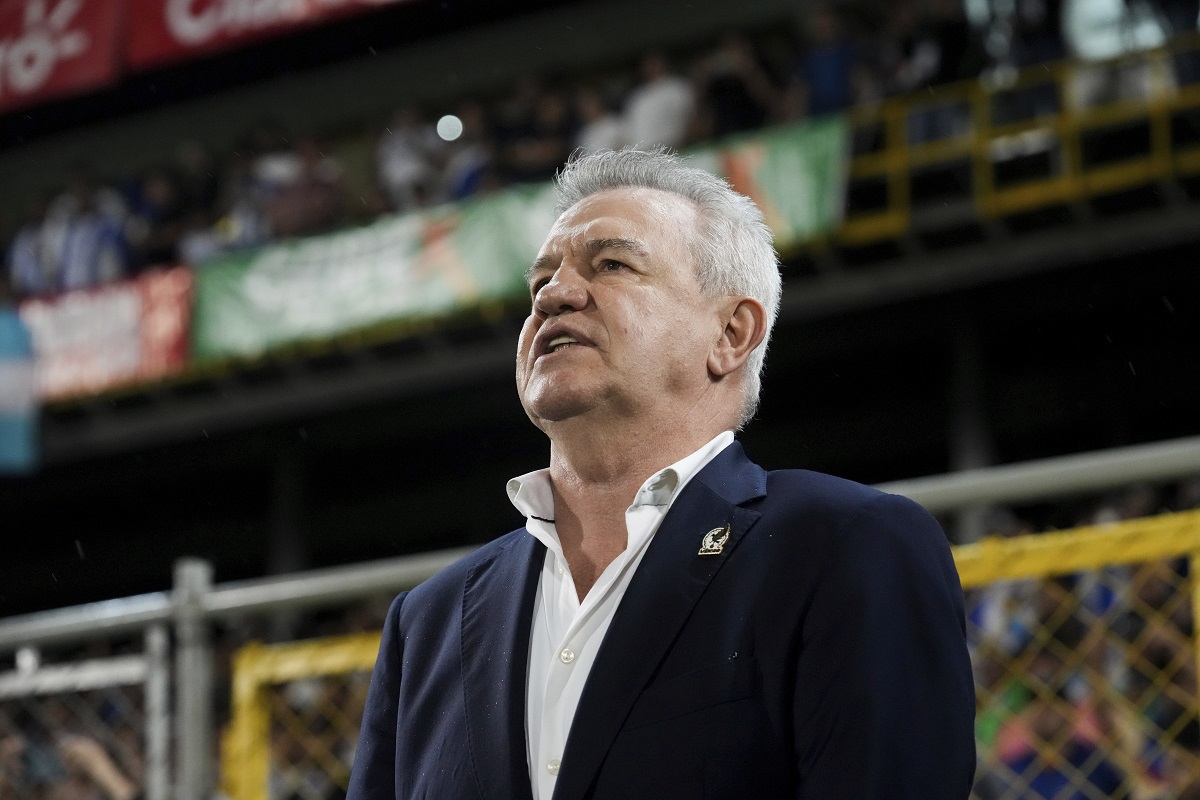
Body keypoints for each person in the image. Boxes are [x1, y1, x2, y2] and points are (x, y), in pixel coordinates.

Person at [347, 148, 975, 800]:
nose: (555, 294)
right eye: (539, 285)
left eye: (612, 264)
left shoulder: (847, 546)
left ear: (731, 333)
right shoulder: (425, 624)